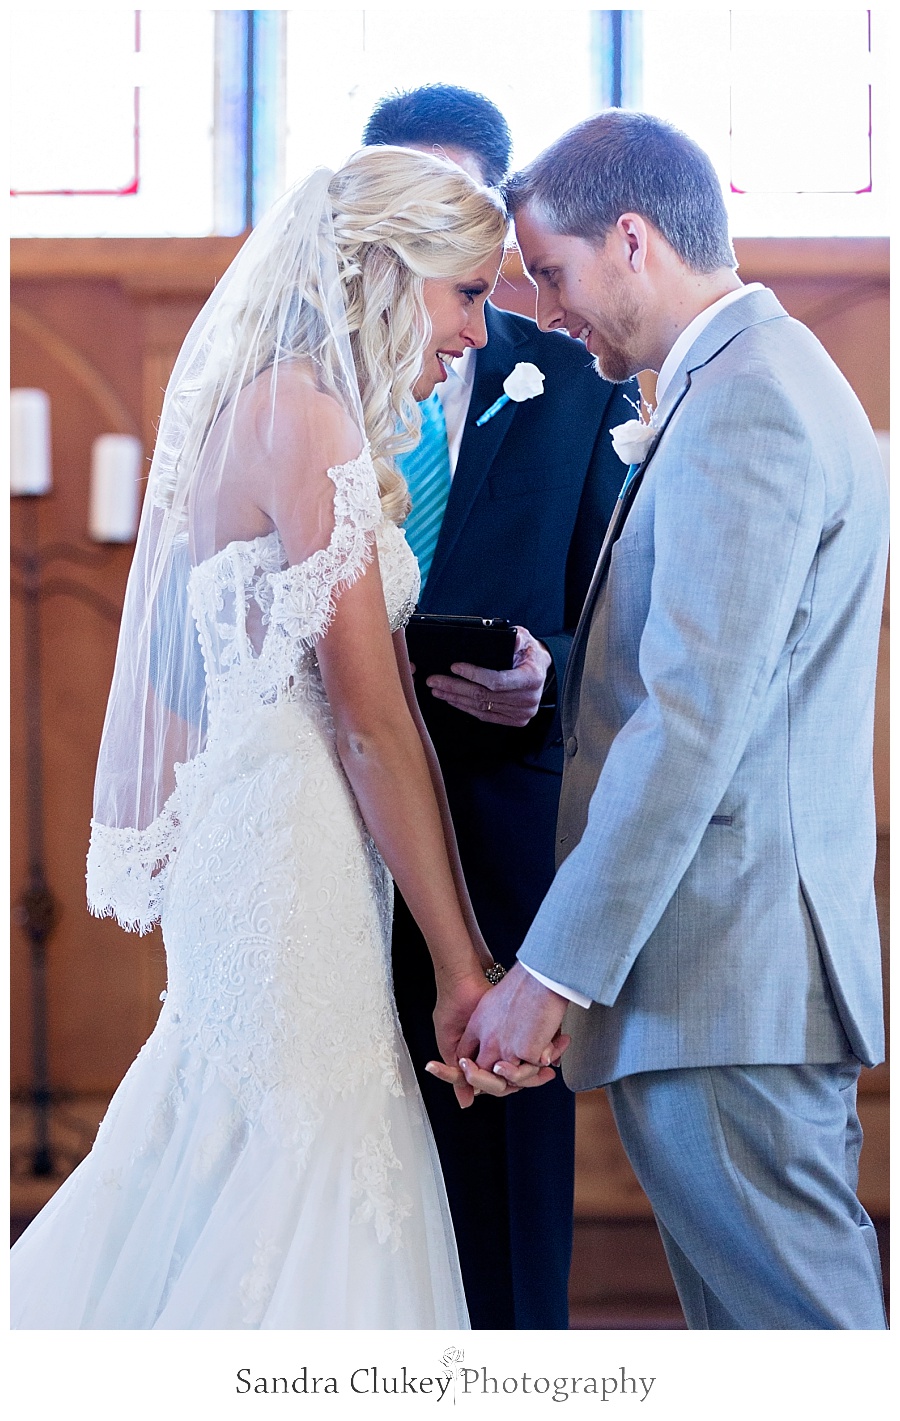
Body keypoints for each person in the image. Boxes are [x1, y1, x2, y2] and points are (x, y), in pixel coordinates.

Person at [10, 147, 559, 1330]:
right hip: (295, 856)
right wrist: (466, 966)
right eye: (467, 291)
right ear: (385, 271)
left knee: (232, 1132)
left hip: (255, 835)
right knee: (312, 1136)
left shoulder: (250, 403)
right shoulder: (309, 418)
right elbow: (369, 722)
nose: (479, 328)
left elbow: (203, 692)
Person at [449, 110, 889, 1330]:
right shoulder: (753, 378)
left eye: (552, 269)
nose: (543, 307)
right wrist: (567, 666)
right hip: (728, 968)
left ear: (631, 238)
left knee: (803, 1348)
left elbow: (693, 722)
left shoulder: (747, 399)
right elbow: (723, 664)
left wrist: (550, 971)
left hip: (726, 966)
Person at [363, 85, 636, 1329]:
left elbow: (614, 621)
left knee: (507, 1190)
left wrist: (548, 670)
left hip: (507, 828)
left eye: (458, 203)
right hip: (335, 834)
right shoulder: (297, 383)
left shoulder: (570, 385)